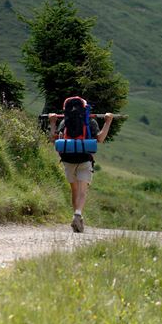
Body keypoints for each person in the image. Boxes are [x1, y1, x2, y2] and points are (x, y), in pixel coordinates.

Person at [48, 100, 113, 233]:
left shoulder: (64, 121)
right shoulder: (90, 121)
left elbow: (54, 138)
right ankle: (77, 214)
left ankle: (78, 216)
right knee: (82, 191)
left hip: (67, 159)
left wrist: (53, 122)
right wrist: (108, 122)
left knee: (74, 190)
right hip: (84, 159)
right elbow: (100, 138)